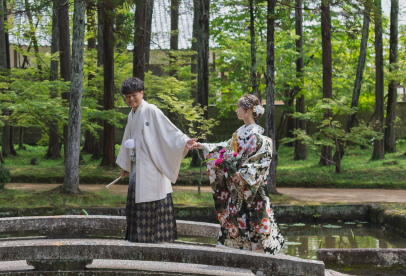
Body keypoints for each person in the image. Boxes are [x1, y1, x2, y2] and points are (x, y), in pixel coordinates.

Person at [192, 94, 285, 254]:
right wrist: (203, 146)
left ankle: (260, 262)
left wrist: (242, 174)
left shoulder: (260, 138)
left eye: (238, 107)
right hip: (237, 191)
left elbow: (261, 163)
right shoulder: (239, 134)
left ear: (248, 110)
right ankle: (234, 259)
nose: (236, 110)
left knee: (257, 230)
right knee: (234, 226)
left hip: (252, 190)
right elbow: (224, 148)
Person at [116, 77, 199, 243]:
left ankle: (158, 242)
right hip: (137, 167)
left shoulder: (151, 110)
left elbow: (168, 131)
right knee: (137, 204)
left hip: (152, 167)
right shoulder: (131, 115)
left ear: (142, 93)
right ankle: (138, 241)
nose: (131, 99)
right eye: (127, 96)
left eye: (134, 95)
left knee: (153, 202)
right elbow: (128, 140)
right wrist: (127, 164)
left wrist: (184, 141)